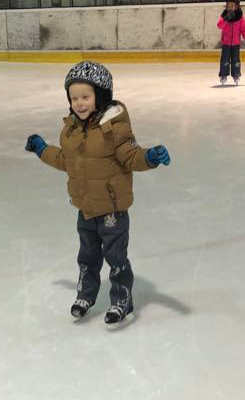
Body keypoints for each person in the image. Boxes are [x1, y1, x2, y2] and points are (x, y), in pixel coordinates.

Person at [25, 60, 171, 327]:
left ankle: (122, 299)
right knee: (87, 257)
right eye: (74, 98)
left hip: (112, 210)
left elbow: (131, 156)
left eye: (86, 97)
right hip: (86, 208)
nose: (79, 103)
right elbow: (65, 160)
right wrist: (42, 149)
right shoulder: (71, 129)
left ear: (100, 96)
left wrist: (150, 157)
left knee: (116, 258)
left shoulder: (114, 128)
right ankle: (85, 295)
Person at [217, 0, 245, 85]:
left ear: (237, 6)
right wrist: (226, 18)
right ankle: (223, 75)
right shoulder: (224, 15)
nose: (230, 8)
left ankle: (236, 75)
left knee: (236, 59)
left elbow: (243, 29)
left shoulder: (240, 17)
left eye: (232, 6)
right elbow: (219, 25)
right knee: (225, 59)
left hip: (236, 43)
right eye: (228, 6)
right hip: (226, 42)